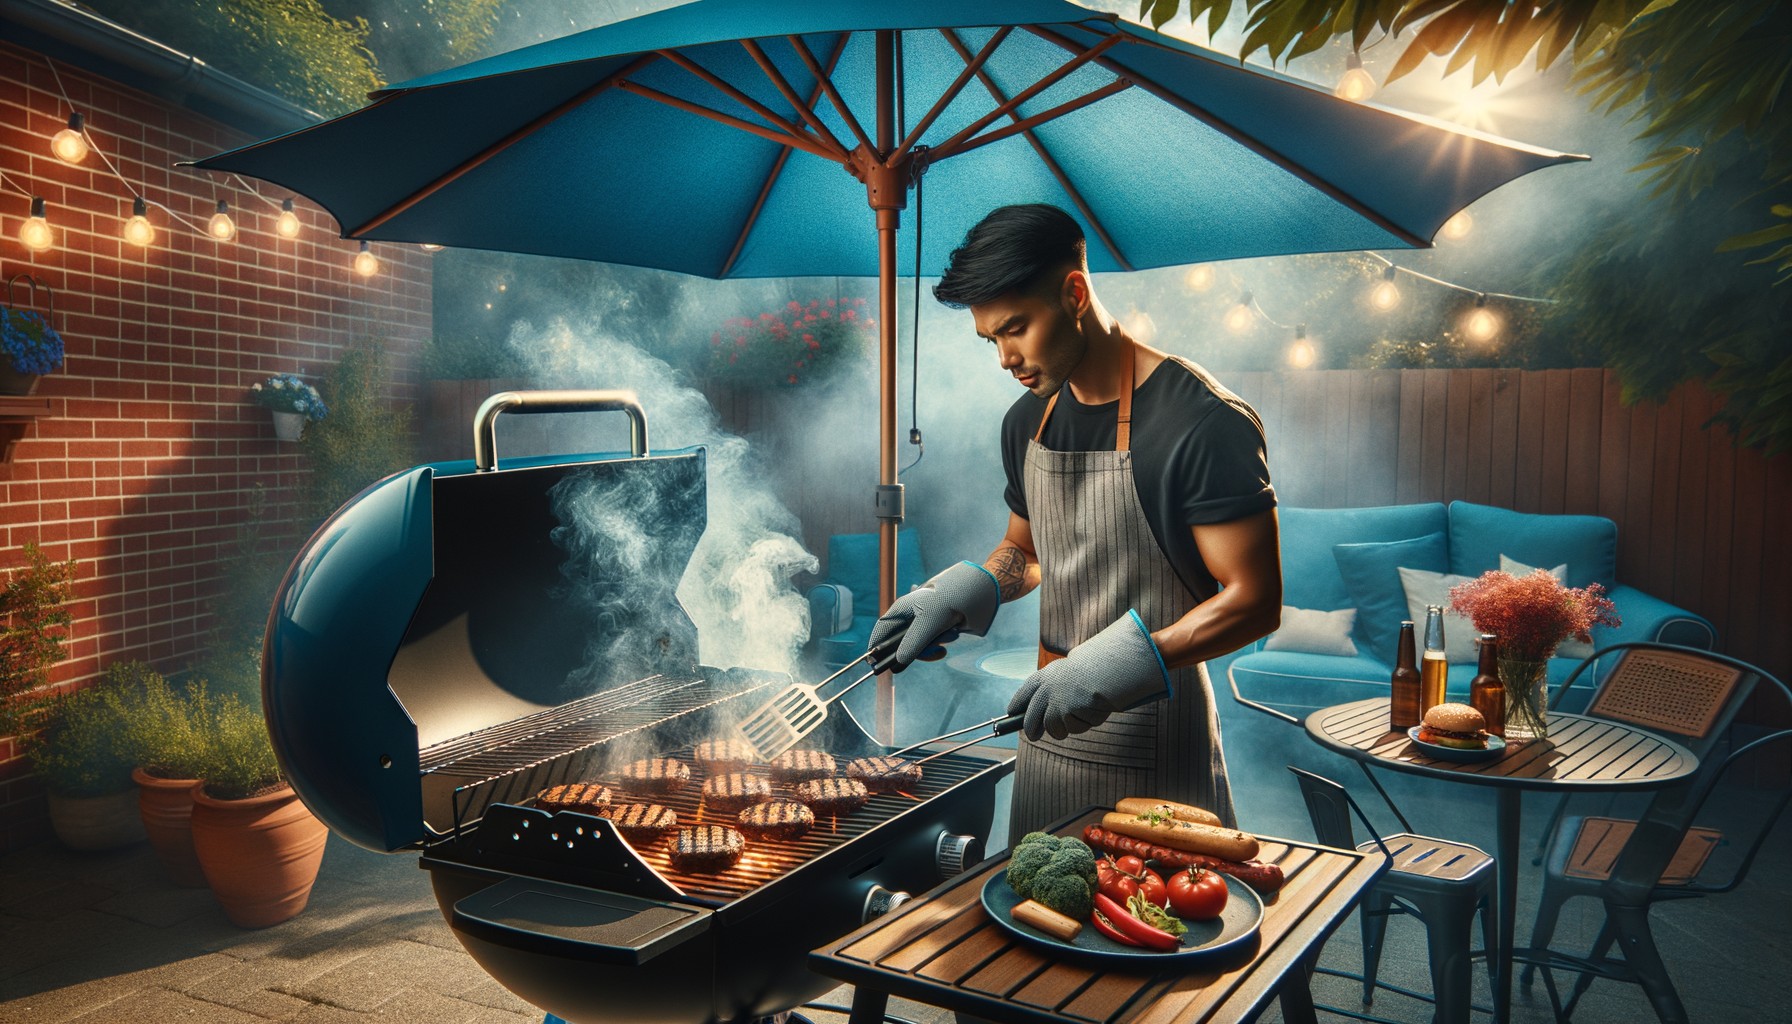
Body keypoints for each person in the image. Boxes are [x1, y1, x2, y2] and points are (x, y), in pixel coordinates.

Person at [870, 204, 1282, 843]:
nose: (1006, 358)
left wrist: (1116, 663)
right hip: (1046, 730)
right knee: (1030, 921)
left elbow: (1254, 603)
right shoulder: (1026, 422)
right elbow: (1026, 551)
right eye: (992, 340)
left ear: (1074, 293)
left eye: (1017, 329)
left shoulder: (1201, 421)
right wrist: (966, 589)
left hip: (1154, 741)